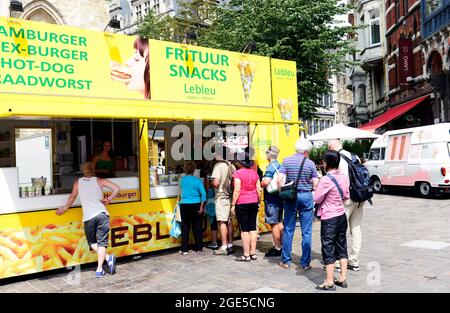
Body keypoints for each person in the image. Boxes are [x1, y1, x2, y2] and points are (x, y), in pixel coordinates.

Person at [56, 162, 120, 278]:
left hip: (89, 217)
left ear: (83, 171)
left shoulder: (78, 182)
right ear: (94, 170)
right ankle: (101, 266)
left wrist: (65, 208)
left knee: (92, 243)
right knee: (102, 243)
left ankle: (103, 265)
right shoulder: (99, 181)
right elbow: (116, 188)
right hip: (102, 214)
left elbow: (72, 197)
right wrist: (108, 199)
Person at [277, 136, 319, 270]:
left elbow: (279, 180)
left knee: (289, 229)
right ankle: (305, 263)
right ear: (307, 150)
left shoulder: (286, 160)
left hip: (291, 196)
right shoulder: (310, 163)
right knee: (306, 231)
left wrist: (281, 192)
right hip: (306, 197)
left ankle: (285, 261)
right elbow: (316, 183)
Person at [314, 150, 350, 290]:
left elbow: (317, 198)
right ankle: (342, 278)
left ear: (327, 163)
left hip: (329, 218)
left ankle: (329, 281)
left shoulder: (325, 180)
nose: (322, 163)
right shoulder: (344, 176)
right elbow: (346, 195)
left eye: (323, 161)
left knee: (328, 248)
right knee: (342, 245)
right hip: (341, 216)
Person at [328, 139, 364, 272]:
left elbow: (338, 181)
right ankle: (354, 260)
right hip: (360, 197)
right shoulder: (355, 156)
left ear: (332, 147)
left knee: (340, 230)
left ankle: (338, 261)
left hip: (346, 199)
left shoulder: (337, 159)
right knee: (356, 229)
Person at [231, 153, 262, 261]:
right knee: (252, 227)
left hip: (242, 202)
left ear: (240, 162)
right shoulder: (255, 173)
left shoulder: (237, 173)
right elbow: (259, 189)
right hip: (253, 201)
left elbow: (237, 190)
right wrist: (258, 201)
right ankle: (253, 253)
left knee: (244, 229)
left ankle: (246, 254)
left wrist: (233, 204)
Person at [211, 144, 236, 255]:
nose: (214, 155)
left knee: (222, 221)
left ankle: (224, 246)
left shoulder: (218, 166)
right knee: (229, 221)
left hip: (221, 196)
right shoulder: (232, 166)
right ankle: (230, 244)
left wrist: (211, 183)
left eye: (216, 152)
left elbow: (216, 183)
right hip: (230, 196)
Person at [260, 146, 284, 257]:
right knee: (279, 222)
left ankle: (277, 247)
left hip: (272, 199)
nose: (266, 155)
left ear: (270, 154)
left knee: (274, 223)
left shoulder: (270, 167)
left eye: (266, 153)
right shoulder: (280, 165)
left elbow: (266, 182)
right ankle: (283, 246)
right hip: (279, 197)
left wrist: (261, 182)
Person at [178, 161, 206, 254]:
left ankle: (184, 249)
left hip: (184, 204)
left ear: (185, 169)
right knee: (197, 226)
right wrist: (202, 207)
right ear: (194, 170)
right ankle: (199, 247)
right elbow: (203, 194)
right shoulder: (197, 180)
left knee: (185, 227)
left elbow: (180, 192)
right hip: (196, 204)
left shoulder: (182, 180)